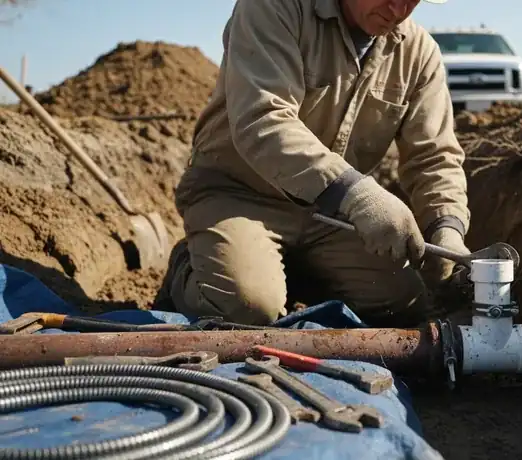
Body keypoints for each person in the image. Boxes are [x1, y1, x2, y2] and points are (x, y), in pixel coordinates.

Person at [155, 0, 471, 328]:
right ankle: (190, 267)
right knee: (247, 309)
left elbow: (434, 157)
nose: (399, 7)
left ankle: (290, 272)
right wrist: (360, 195)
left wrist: (446, 227)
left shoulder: (419, 53)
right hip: (239, 194)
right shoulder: (275, 8)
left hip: (331, 214)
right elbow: (263, 120)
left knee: (401, 305)